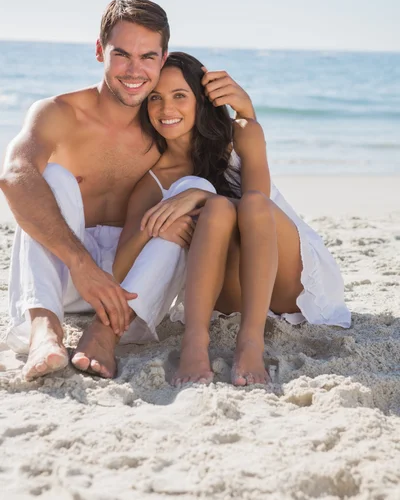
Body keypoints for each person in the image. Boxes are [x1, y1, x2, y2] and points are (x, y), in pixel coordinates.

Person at [0, 0, 255, 380]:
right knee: (52, 178)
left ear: (163, 57)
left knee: (188, 189)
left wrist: (246, 112)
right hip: (66, 272)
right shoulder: (59, 113)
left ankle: (105, 334)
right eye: (122, 54)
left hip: (135, 280)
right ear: (100, 50)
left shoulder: (167, 125)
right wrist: (81, 264)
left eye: (148, 56)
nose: (134, 70)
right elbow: (14, 176)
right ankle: (45, 330)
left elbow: (242, 187)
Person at [115, 52, 351, 387]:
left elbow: (258, 209)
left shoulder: (242, 133)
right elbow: (120, 270)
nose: (166, 109)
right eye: (155, 98)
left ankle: (250, 343)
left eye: (180, 95)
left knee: (247, 203)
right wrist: (154, 227)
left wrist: (201, 196)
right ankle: (194, 344)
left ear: (202, 100)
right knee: (218, 210)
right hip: (225, 294)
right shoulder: (152, 181)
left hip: (283, 278)